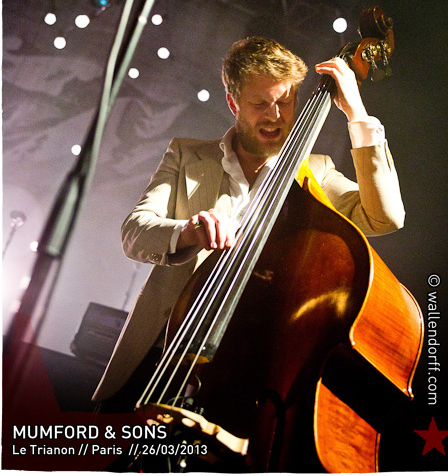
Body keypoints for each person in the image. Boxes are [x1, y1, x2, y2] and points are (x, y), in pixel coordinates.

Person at [92, 36, 405, 413]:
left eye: (285, 102)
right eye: (259, 104)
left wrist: (357, 115)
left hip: (249, 372)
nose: (275, 115)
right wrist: (187, 231)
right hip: (161, 354)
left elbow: (385, 217)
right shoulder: (186, 154)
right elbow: (135, 232)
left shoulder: (316, 172)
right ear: (233, 102)